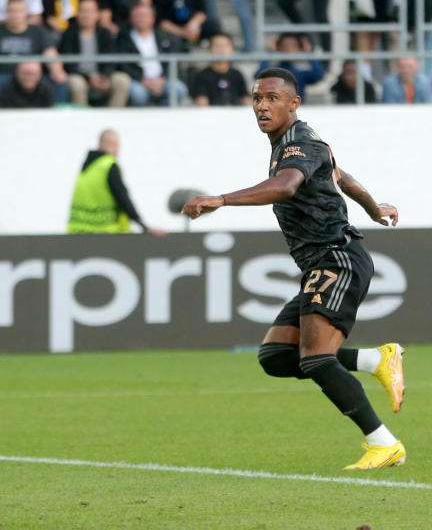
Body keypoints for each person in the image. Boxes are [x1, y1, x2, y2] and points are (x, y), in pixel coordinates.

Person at [182, 67, 406, 471]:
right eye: (256, 98)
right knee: (276, 356)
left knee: (318, 359)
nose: (262, 106)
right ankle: (376, 360)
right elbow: (343, 177)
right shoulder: (295, 143)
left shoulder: (299, 143)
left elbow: (285, 186)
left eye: (271, 98)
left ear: (294, 103)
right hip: (320, 264)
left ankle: (383, 443)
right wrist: (376, 208)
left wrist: (221, 199)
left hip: (337, 258)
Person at [0, 0, 67, 104]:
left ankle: (58, 114)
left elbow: (50, 52)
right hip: (3, 76)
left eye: (19, 11)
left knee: (59, 82)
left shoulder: (38, 31)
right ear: (6, 13)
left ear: (26, 13)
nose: (15, 15)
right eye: (12, 11)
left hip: (32, 76)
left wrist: (56, 69)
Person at [68, 128, 165, 234]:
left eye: (117, 145)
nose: (116, 150)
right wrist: (143, 225)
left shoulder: (87, 168)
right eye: (112, 145)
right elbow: (122, 197)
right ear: (101, 145)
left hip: (78, 232)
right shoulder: (108, 165)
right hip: (105, 233)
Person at [112, 2, 187, 106]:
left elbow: (173, 61)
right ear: (131, 19)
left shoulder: (164, 36)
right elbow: (124, 65)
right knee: (138, 94)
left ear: (152, 19)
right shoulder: (123, 39)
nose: (141, 19)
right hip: (137, 80)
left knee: (179, 90)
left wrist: (163, 78)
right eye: (137, 16)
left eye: (144, 16)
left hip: (163, 79)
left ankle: (162, 115)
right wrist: (143, 81)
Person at [59, 0, 119, 107]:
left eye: (91, 11)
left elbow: (111, 59)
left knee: (122, 81)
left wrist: (105, 76)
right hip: (79, 76)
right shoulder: (69, 34)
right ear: (77, 14)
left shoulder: (105, 34)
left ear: (98, 14)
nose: (87, 15)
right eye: (83, 11)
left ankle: (113, 117)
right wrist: (89, 78)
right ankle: (83, 120)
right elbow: (68, 64)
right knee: (77, 84)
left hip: (102, 76)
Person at [257, 33, 324, 102]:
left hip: (296, 110)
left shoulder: (300, 73)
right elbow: (259, 77)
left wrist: (308, 52)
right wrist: (271, 52)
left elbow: (319, 75)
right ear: (278, 48)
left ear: (299, 49)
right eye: (284, 45)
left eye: (293, 45)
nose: (288, 49)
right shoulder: (273, 72)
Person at [190, 32, 249, 106]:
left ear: (231, 49)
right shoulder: (201, 76)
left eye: (225, 46)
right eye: (217, 46)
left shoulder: (237, 74)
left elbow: (246, 99)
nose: (221, 50)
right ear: (210, 49)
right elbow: (201, 103)